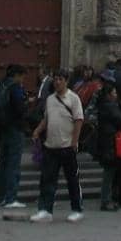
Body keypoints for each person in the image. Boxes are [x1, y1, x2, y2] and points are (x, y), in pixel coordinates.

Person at [30, 69, 84, 222]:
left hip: (67, 145)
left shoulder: (74, 99)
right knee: (47, 179)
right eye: (55, 79)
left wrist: (75, 141)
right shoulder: (50, 99)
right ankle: (45, 210)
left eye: (60, 79)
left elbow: (79, 120)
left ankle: (77, 209)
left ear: (66, 81)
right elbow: (46, 119)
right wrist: (37, 130)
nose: (57, 82)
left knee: (72, 180)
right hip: (51, 145)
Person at [0, 64, 29, 209]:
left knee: (3, 163)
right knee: (14, 164)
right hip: (15, 128)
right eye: (22, 76)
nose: (23, 79)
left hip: (4, 127)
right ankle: (11, 198)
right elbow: (20, 108)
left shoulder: (2, 85)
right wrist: (27, 104)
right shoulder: (15, 88)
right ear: (17, 75)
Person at [95, 82, 121, 211]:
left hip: (105, 142)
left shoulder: (102, 106)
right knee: (109, 173)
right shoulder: (110, 107)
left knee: (109, 172)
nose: (116, 95)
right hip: (111, 143)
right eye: (114, 93)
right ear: (109, 95)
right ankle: (106, 200)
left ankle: (108, 198)